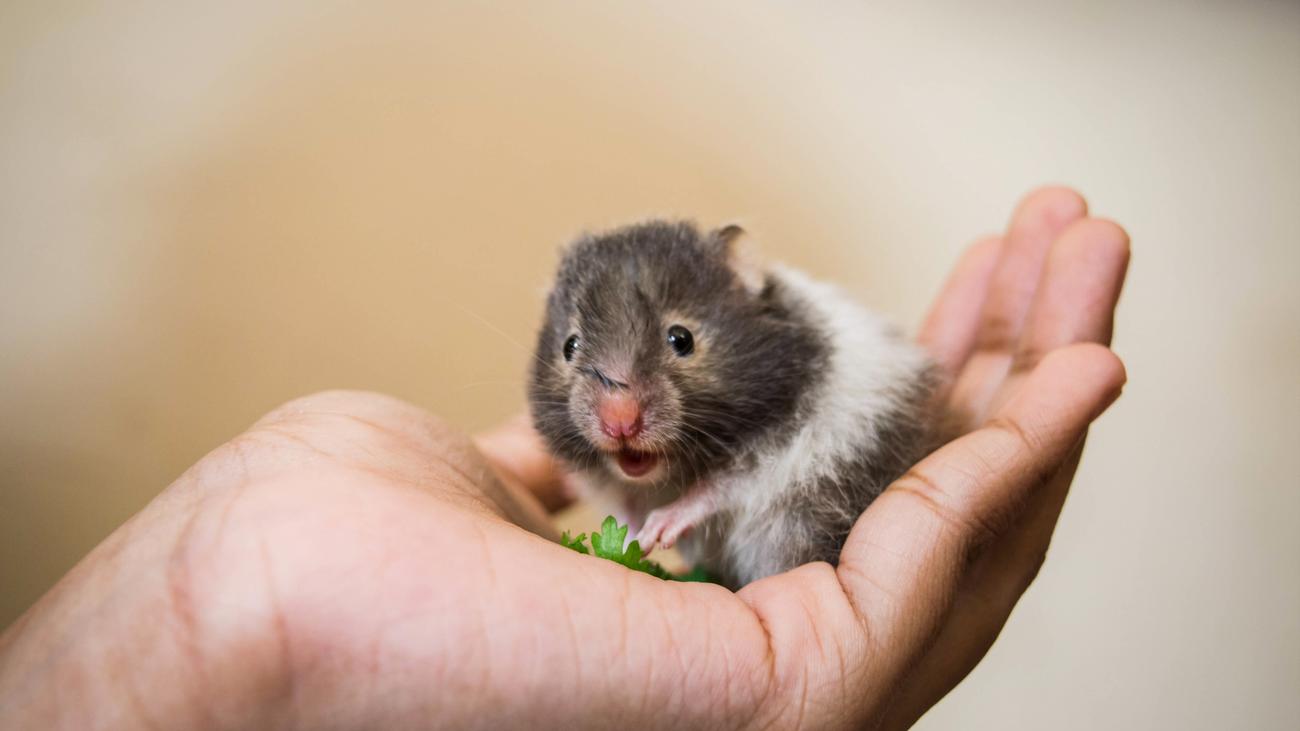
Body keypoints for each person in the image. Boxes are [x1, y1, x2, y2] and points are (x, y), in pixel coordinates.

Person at [0, 187, 1128, 730]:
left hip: (800, 470)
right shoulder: (582, 417)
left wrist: (717, 496)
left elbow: (775, 438)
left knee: (786, 521)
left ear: (741, 297)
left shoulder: (800, 359)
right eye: (584, 356)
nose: (618, 410)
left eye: (676, 346)